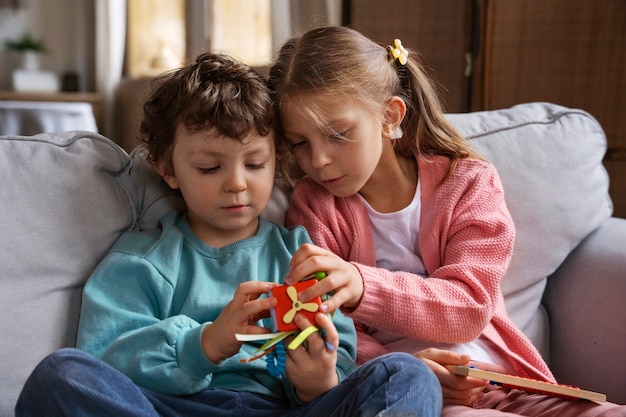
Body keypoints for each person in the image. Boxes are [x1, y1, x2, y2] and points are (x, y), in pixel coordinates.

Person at [15, 52, 443, 417]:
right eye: (209, 168)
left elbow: (344, 358)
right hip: (174, 407)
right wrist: (206, 342)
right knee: (62, 375)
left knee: (407, 375)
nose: (236, 184)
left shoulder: (301, 253)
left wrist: (317, 379)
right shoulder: (144, 260)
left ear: (277, 159)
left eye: (254, 165)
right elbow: (109, 357)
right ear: (167, 169)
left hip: (287, 409)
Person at [267, 26, 626, 416]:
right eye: (300, 143)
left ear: (389, 117)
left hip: (507, 382)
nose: (318, 160)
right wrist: (402, 373)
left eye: (337, 134)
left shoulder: (467, 181)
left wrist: (362, 284)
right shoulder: (315, 206)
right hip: (416, 397)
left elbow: (470, 307)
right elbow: (327, 331)